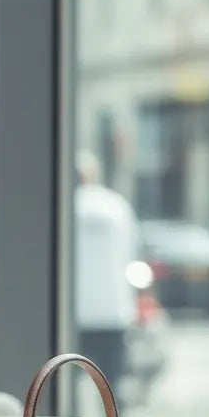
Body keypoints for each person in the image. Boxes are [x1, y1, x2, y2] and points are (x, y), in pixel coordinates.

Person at [74, 150, 140, 394]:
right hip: (112, 311)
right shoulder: (116, 206)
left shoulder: (61, 206)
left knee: (66, 380)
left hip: (74, 313)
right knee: (112, 387)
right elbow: (131, 254)